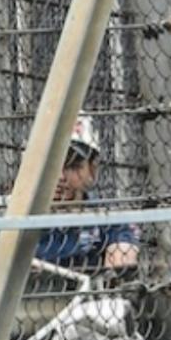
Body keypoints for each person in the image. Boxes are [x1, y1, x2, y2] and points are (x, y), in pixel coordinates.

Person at [34, 115, 139, 270]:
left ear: (92, 169)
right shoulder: (11, 216)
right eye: (51, 166)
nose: (61, 177)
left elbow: (121, 263)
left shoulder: (108, 219)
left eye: (72, 166)